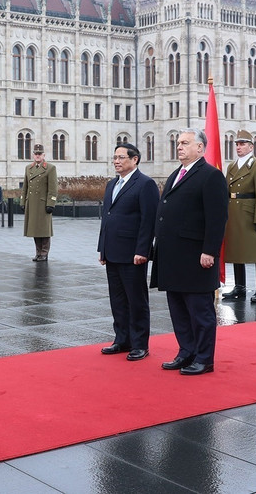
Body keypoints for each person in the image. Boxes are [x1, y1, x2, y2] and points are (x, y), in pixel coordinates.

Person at [151, 129, 228, 375]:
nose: (179, 146)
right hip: (173, 256)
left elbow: (217, 219)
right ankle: (186, 352)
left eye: (185, 143)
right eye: (178, 142)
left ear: (200, 148)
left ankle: (204, 359)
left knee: (199, 311)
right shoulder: (177, 173)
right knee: (178, 309)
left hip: (196, 257)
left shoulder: (210, 176)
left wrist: (210, 251)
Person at [98, 143, 159, 361]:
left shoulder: (145, 184)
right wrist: (102, 248)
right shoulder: (111, 184)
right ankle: (122, 339)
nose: (116, 161)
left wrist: (143, 250)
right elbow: (107, 217)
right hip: (112, 252)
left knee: (136, 300)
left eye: (121, 157)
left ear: (135, 160)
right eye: (114, 157)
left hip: (133, 253)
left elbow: (148, 220)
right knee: (118, 299)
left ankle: (140, 344)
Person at [221, 130, 256, 303]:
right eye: (237, 144)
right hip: (234, 213)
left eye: (242, 144)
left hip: (250, 213)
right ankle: (240, 287)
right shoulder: (232, 166)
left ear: (251, 147)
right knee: (237, 251)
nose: (238, 147)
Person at [21, 144, 58, 261]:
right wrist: (23, 201)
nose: (37, 156)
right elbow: (25, 187)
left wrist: (50, 204)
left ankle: (44, 253)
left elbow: (53, 189)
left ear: (43, 155)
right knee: (34, 229)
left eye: (39, 154)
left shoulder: (50, 168)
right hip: (32, 204)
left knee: (44, 230)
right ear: (33, 155)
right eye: (35, 154)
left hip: (43, 204)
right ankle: (38, 252)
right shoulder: (28, 168)